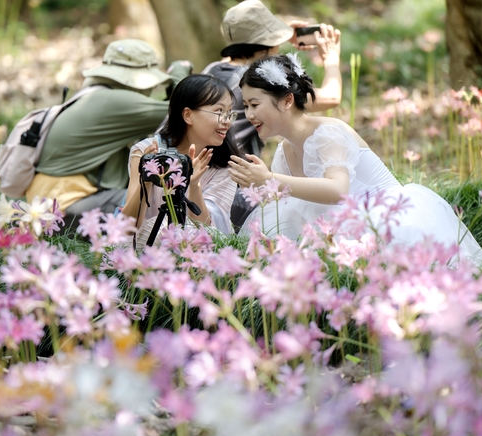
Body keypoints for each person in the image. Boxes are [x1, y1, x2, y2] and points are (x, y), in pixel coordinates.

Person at [227, 54, 482, 269]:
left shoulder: (327, 133)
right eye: (246, 106)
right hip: (342, 230)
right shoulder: (284, 151)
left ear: (286, 101)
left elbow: (337, 190)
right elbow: (292, 204)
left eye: (254, 104)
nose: (248, 114)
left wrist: (269, 180)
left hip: (386, 220)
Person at [201, 0, 342, 228]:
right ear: (265, 49)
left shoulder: (211, 71)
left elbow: (251, 52)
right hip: (227, 193)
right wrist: (332, 59)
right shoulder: (250, 86)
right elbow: (331, 97)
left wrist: (279, 36)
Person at [33, 39, 191, 225]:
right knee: (157, 196)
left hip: (50, 202)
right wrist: (180, 71)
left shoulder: (94, 94)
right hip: (63, 209)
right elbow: (182, 111)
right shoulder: (116, 102)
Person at [121, 74, 241, 249]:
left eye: (229, 113)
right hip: (147, 251)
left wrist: (194, 186)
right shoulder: (147, 152)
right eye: (219, 112)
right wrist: (147, 180)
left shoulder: (226, 164)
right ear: (188, 115)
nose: (227, 121)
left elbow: (210, 231)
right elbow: (128, 228)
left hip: (200, 259)